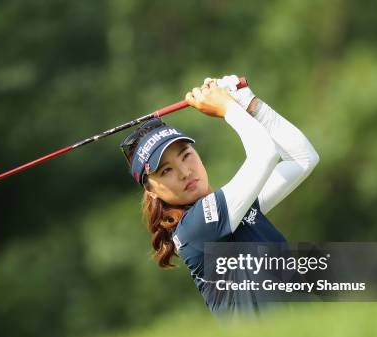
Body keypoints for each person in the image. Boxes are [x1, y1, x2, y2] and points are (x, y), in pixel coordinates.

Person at [120, 74, 319, 317]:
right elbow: (265, 154)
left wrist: (248, 102)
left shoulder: (236, 208)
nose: (184, 172)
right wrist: (228, 108)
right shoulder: (194, 228)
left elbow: (303, 159)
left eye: (186, 155)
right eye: (166, 170)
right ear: (151, 190)